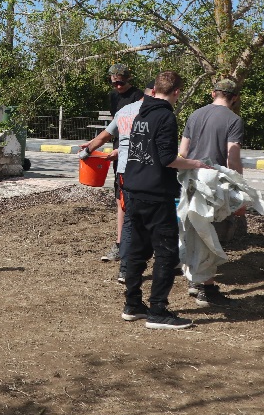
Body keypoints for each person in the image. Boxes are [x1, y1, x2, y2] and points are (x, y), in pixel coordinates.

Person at [121, 71, 210, 329]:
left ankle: (133, 304)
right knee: (166, 252)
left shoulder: (141, 113)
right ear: (177, 92)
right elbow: (167, 158)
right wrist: (196, 164)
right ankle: (158, 310)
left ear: (154, 89)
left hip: (134, 189)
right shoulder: (166, 116)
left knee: (138, 250)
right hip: (156, 194)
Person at [177, 78, 244, 307]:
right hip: (214, 183)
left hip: (191, 180)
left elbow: (183, 152)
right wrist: (240, 188)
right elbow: (232, 158)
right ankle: (206, 288)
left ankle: (195, 282)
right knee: (211, 234)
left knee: (193, 230)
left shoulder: (195, 115)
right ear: (234, 97)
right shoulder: (234, 120)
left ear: (213, 93)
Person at [81, 79, 156, 283]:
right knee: (149, 216)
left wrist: (87, 151)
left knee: (129, 216)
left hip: (124, 171)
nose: (117, 87)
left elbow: (105, 136)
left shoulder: (126, 110)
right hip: (145, 171)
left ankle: (126, 266)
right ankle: (138, 261)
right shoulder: (156, 112)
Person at [102, 63, 145, 262]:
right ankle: (121, 242)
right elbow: (115, 122)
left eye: (121, 83)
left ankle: (132, 241)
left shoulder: (138, 96)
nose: (118, 87)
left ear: (128, 79)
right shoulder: (113, 96)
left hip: (133, 149)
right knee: (120, 195)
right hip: (119, 146)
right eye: (114, 83)